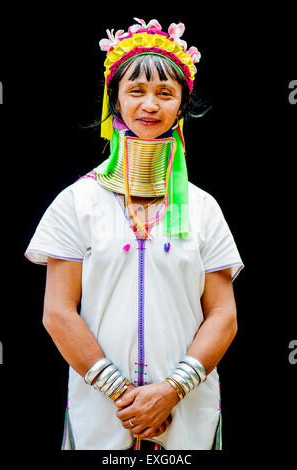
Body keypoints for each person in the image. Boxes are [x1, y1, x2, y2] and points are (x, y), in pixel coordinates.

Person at [25, 17, 244, 450]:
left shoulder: (203, 208)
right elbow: (58, 314)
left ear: (182, 105)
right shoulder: (77, 203)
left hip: (186, 417)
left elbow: (224, 316)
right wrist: (126, 398)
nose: (150, 104)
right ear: (116, 102)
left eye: (165, 93)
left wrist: (169, 393)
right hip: (103, 417)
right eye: (136, 91)